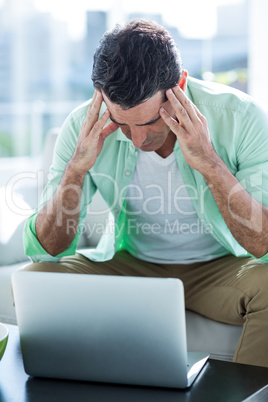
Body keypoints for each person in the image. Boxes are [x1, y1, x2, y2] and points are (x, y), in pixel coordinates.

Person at [22, 20, 268, 367]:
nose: (137, 140)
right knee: (35, 283)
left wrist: (210, 163)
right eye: (123, 123)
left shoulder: (241, 118)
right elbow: (46, 250)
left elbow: (264, 244)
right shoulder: (83, 126)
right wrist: (76, 170)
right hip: (130, 264)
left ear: (178, 85)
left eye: (150, 122)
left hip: (222, 267)